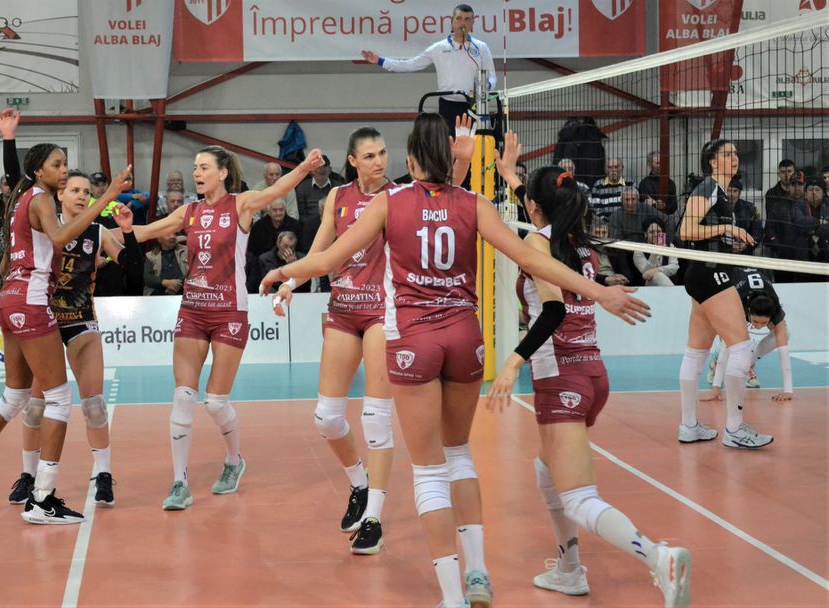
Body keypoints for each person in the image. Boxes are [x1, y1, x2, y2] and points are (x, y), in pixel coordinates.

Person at [259, 116, 649, 608]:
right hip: (465, 336)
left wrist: (282, 274)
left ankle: (452, 595)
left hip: (415, 339)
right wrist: (599, 292)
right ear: (448, 158)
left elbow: (329, 259)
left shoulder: (389, 202)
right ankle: (479, 572)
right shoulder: (473, 203)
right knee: (459, 454)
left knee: (428, 472)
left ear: (409, 160)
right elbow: (533, 259)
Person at [488, 155, 691, 608]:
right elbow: (541, 207)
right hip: (592, 376)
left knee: (579, 498)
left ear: (534, 208)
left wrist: (513, 363)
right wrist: (511, 177)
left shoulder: (537, 245)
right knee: (546, 470)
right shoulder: (579, 243)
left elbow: (553, 311)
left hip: (559, 376)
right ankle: (569, 570)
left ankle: (659, 558)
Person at [0, 128, 132, 524]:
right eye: (57, 164)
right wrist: (106, 197)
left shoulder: (21, 199)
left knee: (14, 396)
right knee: (58, 398)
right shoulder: (40, 198)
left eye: (65, 163)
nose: (63, 170)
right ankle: (42, 498)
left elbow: (29, 246)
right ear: (39, 170)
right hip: (32, 299)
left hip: (9, 297)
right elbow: (59, 238)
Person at [132, 145, 325, 511]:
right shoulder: (188, 212)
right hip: (193, 310)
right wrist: (118, 225)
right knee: (183, 396)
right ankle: (179, 482)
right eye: (195, 167)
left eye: (204, 167)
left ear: (222, 173)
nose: (196, 173)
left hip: (230, 312)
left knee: (216, 402)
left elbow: (276, 190)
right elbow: (142, 232)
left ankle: (234, 460)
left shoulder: (241, 205)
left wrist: (302, 168)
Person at [270, 126, 395, 556]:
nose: (379, 161)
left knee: (375, 416)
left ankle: (374, 517)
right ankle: (359, 484)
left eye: (383, 153)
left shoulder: (397, 197)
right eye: (370, 155)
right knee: (326, 417)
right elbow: (319, 252)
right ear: (353, 161)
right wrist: (291, 283)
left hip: (382, 312)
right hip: (343, 310)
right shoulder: (339, 197)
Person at [6, 169, 142, 507]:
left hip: (81, 323)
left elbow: (132, 266)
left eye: (86, 192)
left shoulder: (97, 232)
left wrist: (127, 231)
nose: (82, 196)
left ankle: (104, 474)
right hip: (45, 325)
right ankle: (28, 475)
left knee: (94, 406)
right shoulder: (44, 228)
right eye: (75, 190)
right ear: (60, 196)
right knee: (35, 407)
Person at [676, 139, 772, 449]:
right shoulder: (707, 188)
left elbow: (703, 234)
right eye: (727, 154)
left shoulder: (718, 192)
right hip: (710, 274)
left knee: (696, 351)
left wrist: (730, 243)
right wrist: (726, 230)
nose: (735, 158)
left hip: (704, 272)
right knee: (741, 347)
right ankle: (734, 428)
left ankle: (689, 426)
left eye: (735, 154)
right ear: (713, 162)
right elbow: (686, 231)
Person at [360, 4, 495, 133]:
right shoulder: (438, 48)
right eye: (458, 19)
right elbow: (411, 65)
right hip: (448, 106)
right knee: (447, 145)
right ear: (452, 21)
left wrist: (485, 87)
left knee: (478, 145)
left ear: (472, 23)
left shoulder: (481, 47)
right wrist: (380, 61)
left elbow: (492, 77)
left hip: (476, 106)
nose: (462, 23)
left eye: (467, 19)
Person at [706, 268, 792, 402]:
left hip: (753, 289)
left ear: (771, 316)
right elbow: (725, 347)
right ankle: (715, 364)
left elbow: (783, 351)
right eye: (755, 321)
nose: (758, 326)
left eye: (764, 323)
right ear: (749, 312)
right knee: (727, 339)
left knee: (784, 333)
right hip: (726, 289)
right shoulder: (737, 305)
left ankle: (748, 362)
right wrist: (716, 387)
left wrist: (788, 390)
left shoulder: (775, 309)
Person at [633, 217, 679, 286]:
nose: (655, 235)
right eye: (652, 232)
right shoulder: (639, 251)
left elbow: (674, 267)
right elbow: (646, 274)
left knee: (658, 274)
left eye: (658, 232)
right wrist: (654, 254)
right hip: (648, 285)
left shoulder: (670, 246)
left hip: (668, 282)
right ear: (645, 234)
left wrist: (657, 270)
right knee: (657, 275)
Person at [725, 177, 763, 256]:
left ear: (739, 193)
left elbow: (758, 233)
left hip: (745, 253)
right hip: (723, 252)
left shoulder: (750, 209)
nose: (731, 194)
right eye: (728, 190)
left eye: (735, 191)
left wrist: (746, 245)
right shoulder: (718, 208)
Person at [637, 151, 678, 215]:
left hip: (667, 218)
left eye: (662, 162)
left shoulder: (670, 183)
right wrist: (655, 205)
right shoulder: (644, 184)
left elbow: (674, 206)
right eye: (658, 163)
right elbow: (643, 205)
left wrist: (664, 206)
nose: (661, 165)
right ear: (649, 164)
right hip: (650, 218)